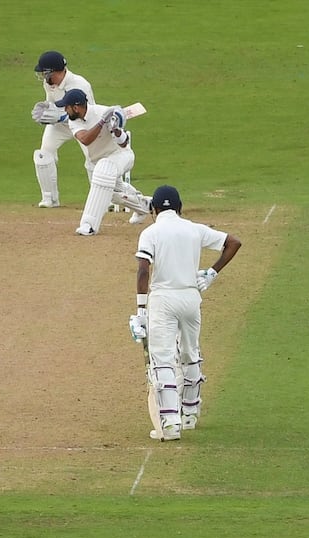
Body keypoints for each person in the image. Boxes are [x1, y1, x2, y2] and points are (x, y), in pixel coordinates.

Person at [133, 185, 242, 440]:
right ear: (180, 207)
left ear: (154, 209)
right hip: (191, 298)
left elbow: (142, 270)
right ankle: (190, 415)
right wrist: (212, 273)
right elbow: (233, 242)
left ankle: (170, 423)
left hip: (163, 299)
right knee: (190, 352)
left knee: (162, 359)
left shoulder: (151, 232)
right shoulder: (194, 229)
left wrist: (140, 310)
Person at [54, 88, 151, 236]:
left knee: (104, 170)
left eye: (66, 107)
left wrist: (116, 129)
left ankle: (89, 225)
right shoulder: (74, 122)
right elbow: (85, 139)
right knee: (109, 193)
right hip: (95, 162)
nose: (65, 110)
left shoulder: (103, 112)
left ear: (76, 107)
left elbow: (124, 143)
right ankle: (144, 205)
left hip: (121, 155)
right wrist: (101, 123)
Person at [28, 50, 95, 208]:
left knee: (93, 159)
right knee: (44, 154)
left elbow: (88, 112)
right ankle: (50, 198)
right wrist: (46, 111)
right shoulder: (49, 83)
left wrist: (61, 117)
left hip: (84, 124)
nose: (44, 77)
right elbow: (52, 104)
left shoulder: (80, 84)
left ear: (56, 71)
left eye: (45, 73)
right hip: (60, 126)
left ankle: (101, 199)